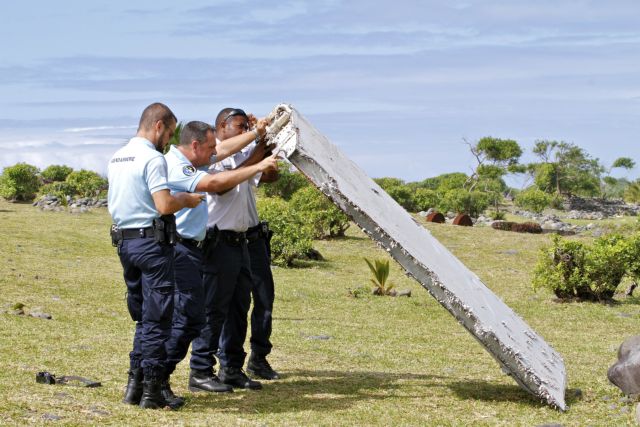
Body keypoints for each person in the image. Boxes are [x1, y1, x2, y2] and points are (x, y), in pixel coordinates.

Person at [162, 120, 278, 401]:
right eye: (239, 127)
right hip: (215, 244)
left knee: (240, 307)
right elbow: (219, 185)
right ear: (221, 127)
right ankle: (201, 370)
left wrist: (260, 139)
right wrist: (258, 158)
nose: (241, 132)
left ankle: (232, 368)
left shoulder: (215, 155)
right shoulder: (197, 163)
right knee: (212, 310)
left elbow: (242, 163)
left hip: (242, 243)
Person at [107, 103, 203, 410]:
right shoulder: (152, 158)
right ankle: (151, 390)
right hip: (152, 245)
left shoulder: (117, 156)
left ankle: (134, 385)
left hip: (125, 243)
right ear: (158, 126)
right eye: (170, 133)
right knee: (158, 319)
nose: (170, 141)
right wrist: (186, 200)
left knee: (143, 318)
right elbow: (163, 205)